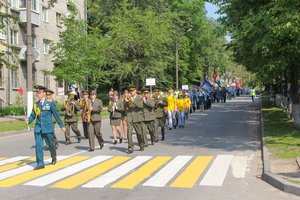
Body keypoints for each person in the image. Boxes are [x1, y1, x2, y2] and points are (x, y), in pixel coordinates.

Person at [25, 85, 66, 170]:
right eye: (37, 93)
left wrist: (62, 126)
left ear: (44, 93)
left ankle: (53, 156)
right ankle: (40, 163)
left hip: (48, 128)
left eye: (39, 93)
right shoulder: (36, 105)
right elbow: (33, 115)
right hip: (38, 128)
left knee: (51, 145)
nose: (38, 94)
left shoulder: (50, 104)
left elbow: (56, 115)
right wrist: (29, 120)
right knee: (39, 145)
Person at [124, 85, 145, 154]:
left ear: (135, 91)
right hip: (130, 117)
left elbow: (140, 106)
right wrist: (126, 101)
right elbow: (125, 106)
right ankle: (130, 147)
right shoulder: (128, 98)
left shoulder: (139, 97)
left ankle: (141, 144)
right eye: (130, 91)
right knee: (129, 133)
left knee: (139, 133)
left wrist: (133, 101)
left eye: (132, 91)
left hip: (137, 117)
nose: (131, 92)